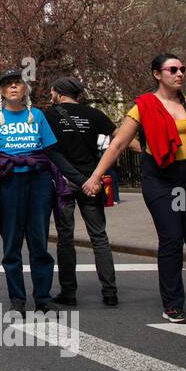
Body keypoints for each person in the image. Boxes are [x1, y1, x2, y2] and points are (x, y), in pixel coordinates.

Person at [85, 53, 186, 325]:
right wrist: (95, 177)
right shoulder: (144, 106)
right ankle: (173, 305)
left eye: (182, 68)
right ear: (157, 75)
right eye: (172, 69)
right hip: (162, 179)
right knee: (172, 240)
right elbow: (118, 145)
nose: (179, 73)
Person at [0, 69, 85, 314]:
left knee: (39, 244)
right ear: (1, 91)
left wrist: (81, 179)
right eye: (8, 84)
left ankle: (42, 298)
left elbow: (53, 153)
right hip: (8, 186)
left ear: (25, 89)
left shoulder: (38, 116)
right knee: (11, 245)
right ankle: (17, 301)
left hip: (39, 184)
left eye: (18, 83)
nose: (13, 87)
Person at [43, 76, 119, 306]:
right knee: (99, 236)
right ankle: (110, 291)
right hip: (91, 180)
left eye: (52, 92)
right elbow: (119, 139)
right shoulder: (94, 114)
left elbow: (46, 148)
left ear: (58, 92)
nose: (50, 96)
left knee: (65, 237)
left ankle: (69, 292)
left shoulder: (49, 115)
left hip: (63, 181)